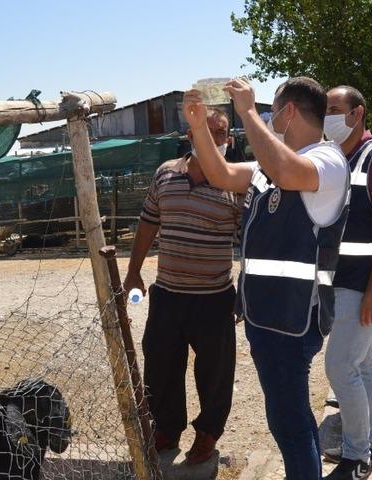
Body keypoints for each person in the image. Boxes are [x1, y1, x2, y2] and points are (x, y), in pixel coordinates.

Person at [182, 77, 349, 479]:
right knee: (291, 419)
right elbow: (220, 173)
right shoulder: (267, 166)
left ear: (289, 111)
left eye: (274, 110)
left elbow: (289, 172)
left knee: (288, 426)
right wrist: (199, 125)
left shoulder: (327, 161)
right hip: (265, 317)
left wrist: (247, 111)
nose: (269, 118)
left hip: (293, 320)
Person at [123, 109, 242, 465]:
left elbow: (252, 240)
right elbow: (147, 223)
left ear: (228, 139)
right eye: (204, 131)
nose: (213, 138)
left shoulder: (237, 183)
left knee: (215, 373)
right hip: (168, 294)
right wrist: (133, 273)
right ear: (190, 136)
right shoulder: (165, 174)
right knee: (160, 366)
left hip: (214, 298)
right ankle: (167, 430)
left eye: (219, 133)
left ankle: (207, 435)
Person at [320, 86, 372, 479]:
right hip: (342, 283)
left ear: (358, 113)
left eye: (335, 109)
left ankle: (356, 456)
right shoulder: (338, 157)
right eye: (325, 110)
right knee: (363, 363)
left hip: (364, 286)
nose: (328, 116)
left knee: (340, 368)